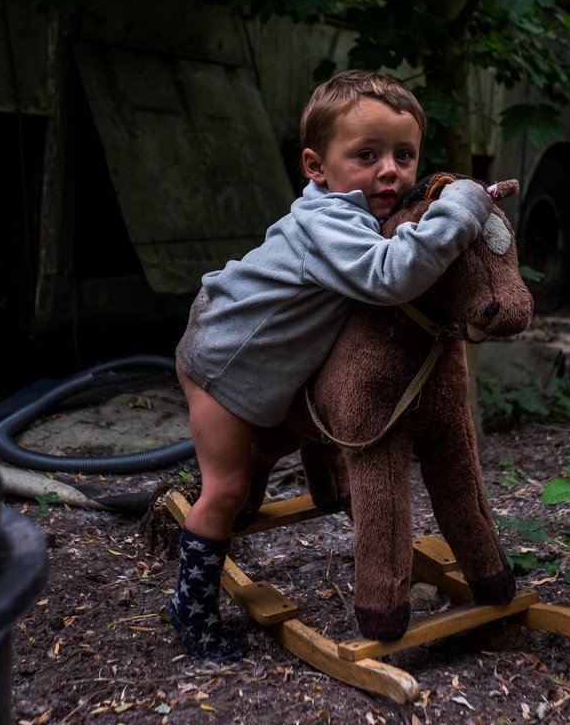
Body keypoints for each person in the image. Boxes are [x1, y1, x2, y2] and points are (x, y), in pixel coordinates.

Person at [168, 69, 493, 661]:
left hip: (266, 365)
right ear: (316, 167)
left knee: (259, 460)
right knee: (226, 487)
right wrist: (462, 207)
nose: (390, 169)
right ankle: (190, 612)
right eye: (366, 155)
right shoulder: (329, 221)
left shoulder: (356, 211)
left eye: (404, 154)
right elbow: (391, 275)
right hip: (219, 366)